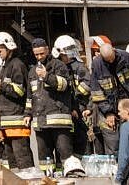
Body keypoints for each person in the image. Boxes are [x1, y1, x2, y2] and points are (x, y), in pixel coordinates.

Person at [29, 36, 82, 175]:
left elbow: (64, 85)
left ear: (47, 50)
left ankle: (68, 177)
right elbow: (30, 97)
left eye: (42, 53)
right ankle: (48, 178)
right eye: (36, 54)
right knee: (44, 158)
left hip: (59, 121)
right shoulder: (32, 71)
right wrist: (27, 114)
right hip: (40, 121)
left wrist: (46, 76)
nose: (39, 57)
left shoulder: (59, 65)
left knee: (64, 153)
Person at [87, 38, 129, 148]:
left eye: (112, 58)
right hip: (109, 109)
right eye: (107, 60)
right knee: (114, 144)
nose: (111, 62)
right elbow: (96, 92)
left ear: (114, 50)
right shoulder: (97, 65)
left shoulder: (126, 57)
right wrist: (108, 112)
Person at [0, 33, 32, 170]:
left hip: (17, 121)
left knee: (22, 157)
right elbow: (4, 96)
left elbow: (20, 91)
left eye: (0, 50)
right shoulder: (6, 66)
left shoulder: (17, 65)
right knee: (11, 160)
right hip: (6, 121)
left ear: (9, 48)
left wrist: (0, 85)